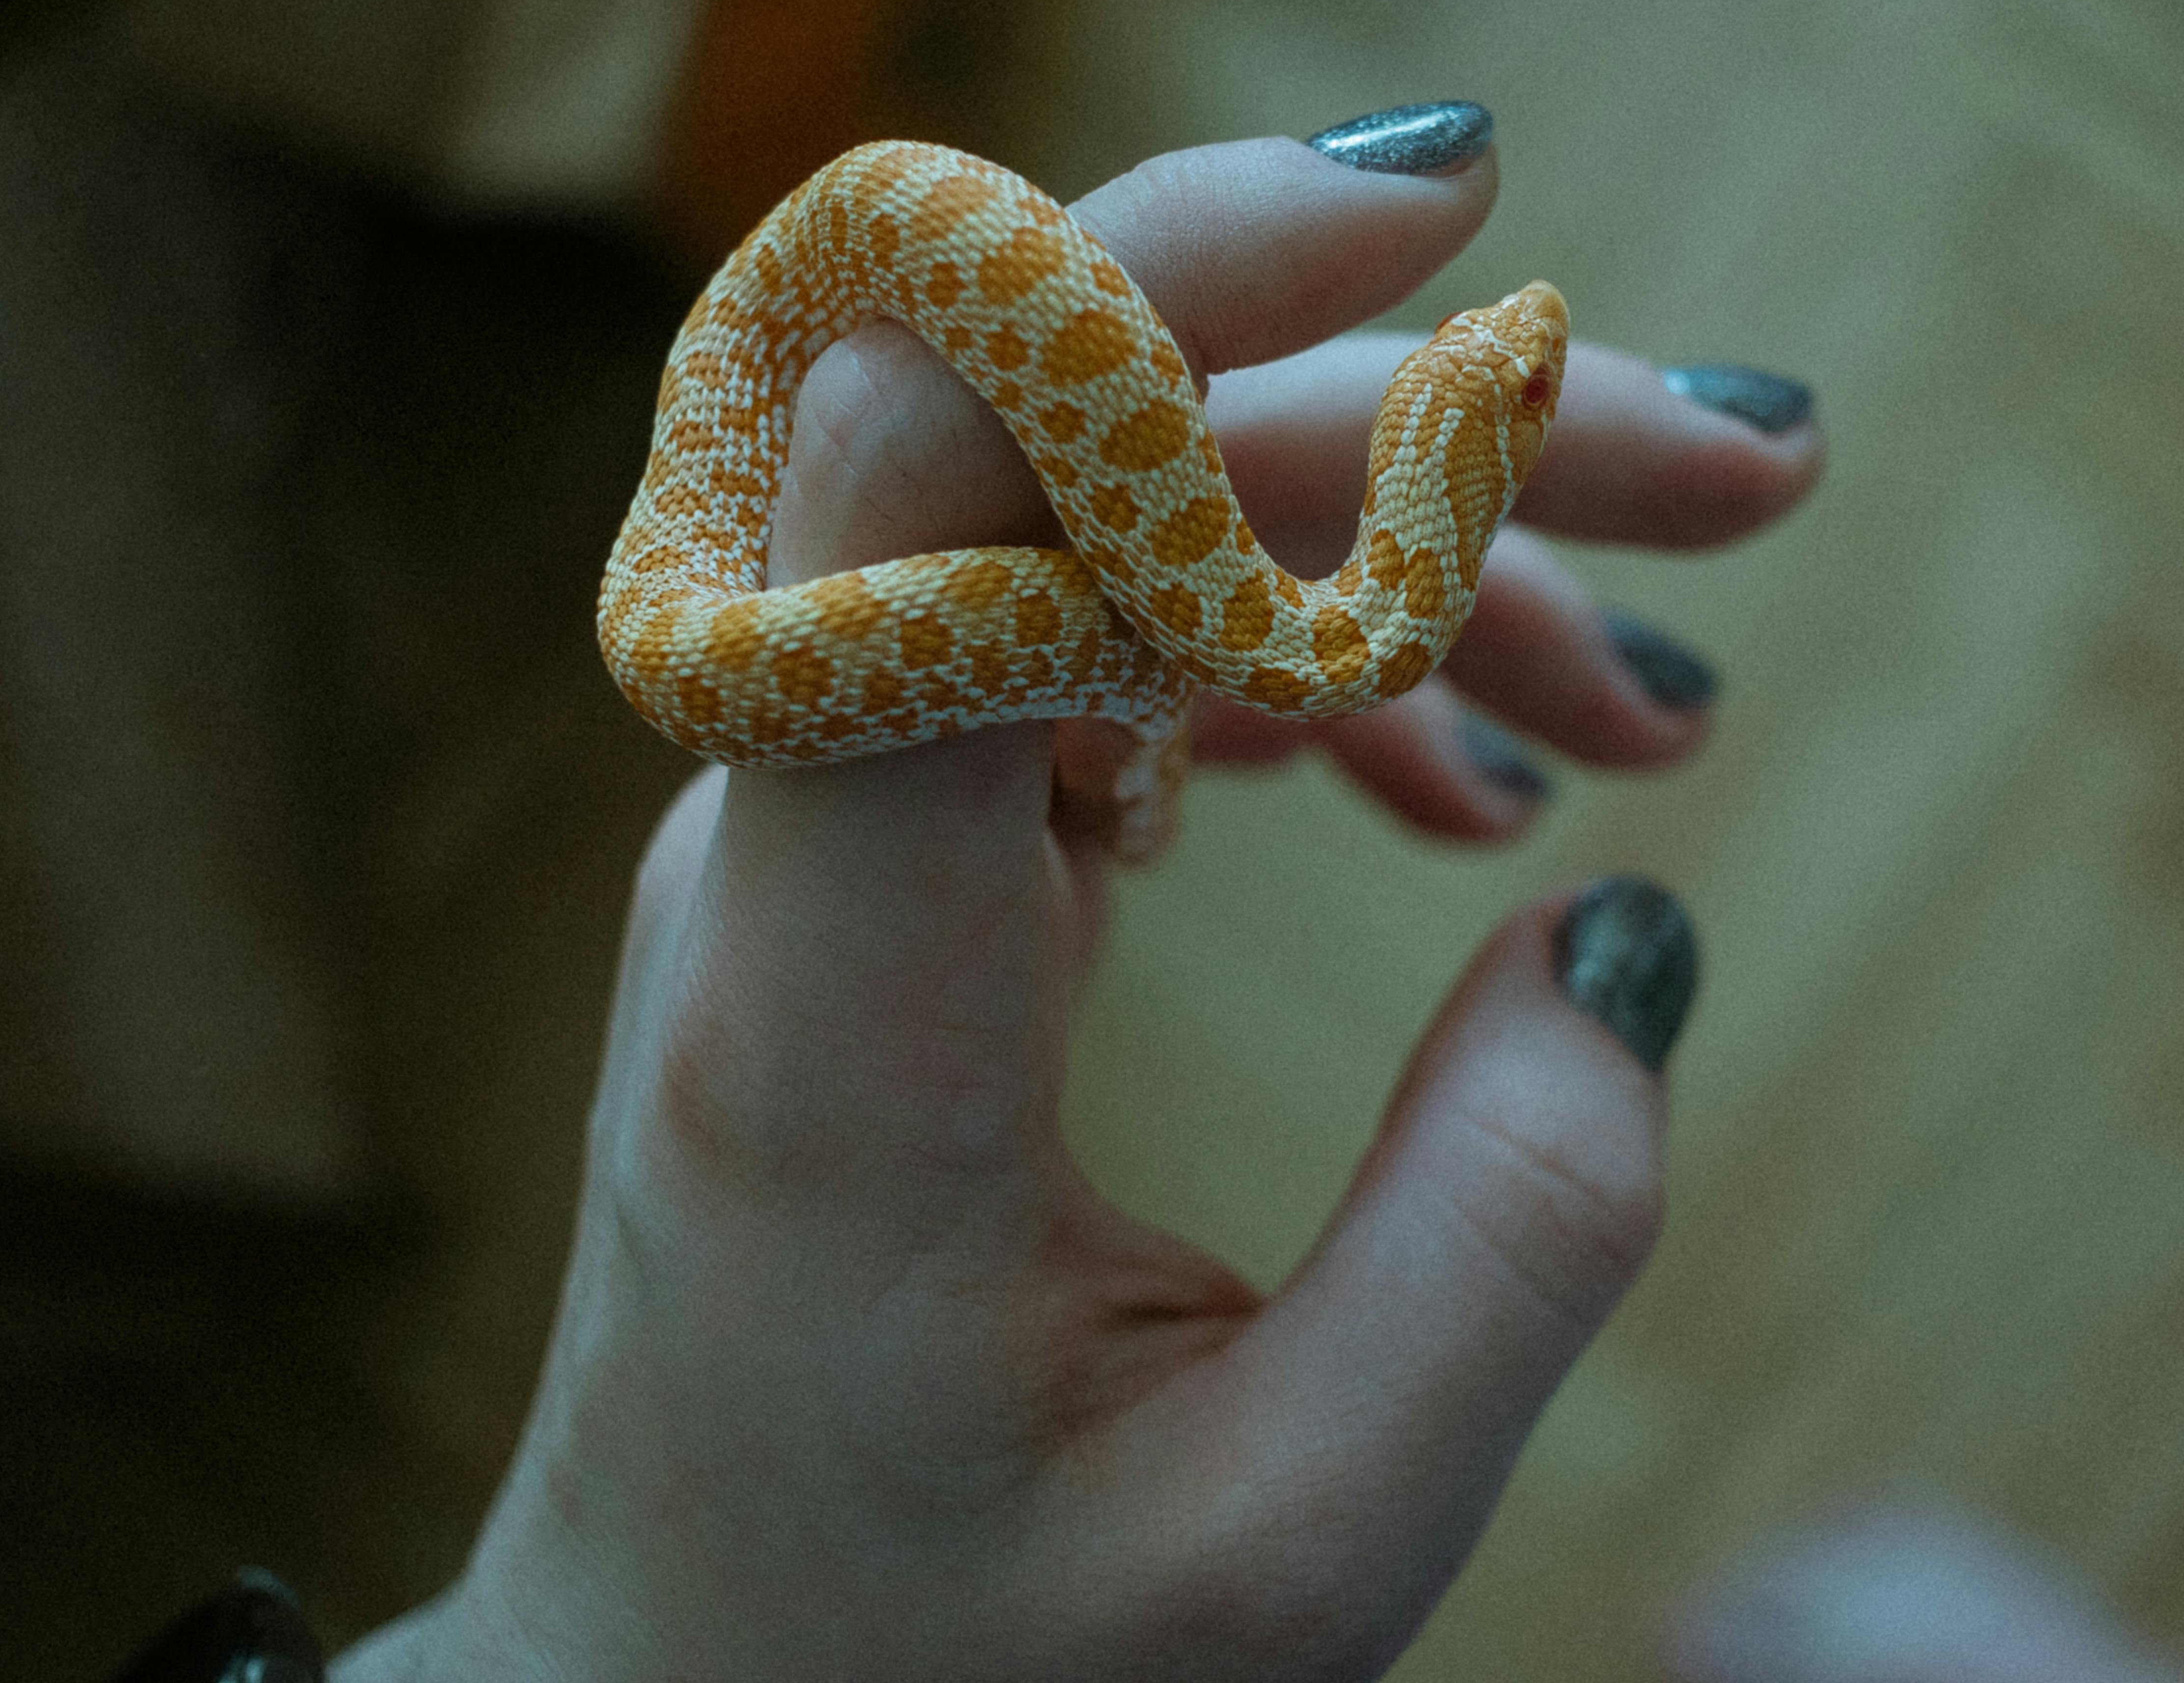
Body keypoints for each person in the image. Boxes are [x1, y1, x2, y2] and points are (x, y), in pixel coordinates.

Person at [312, 113, 1829, 1678]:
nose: (1527, 351)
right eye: (1508, 381)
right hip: (1032, 605)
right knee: (954, 529)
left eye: (1505, 385)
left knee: (916, 491)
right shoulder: (1302, 635)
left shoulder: (1309, 636)